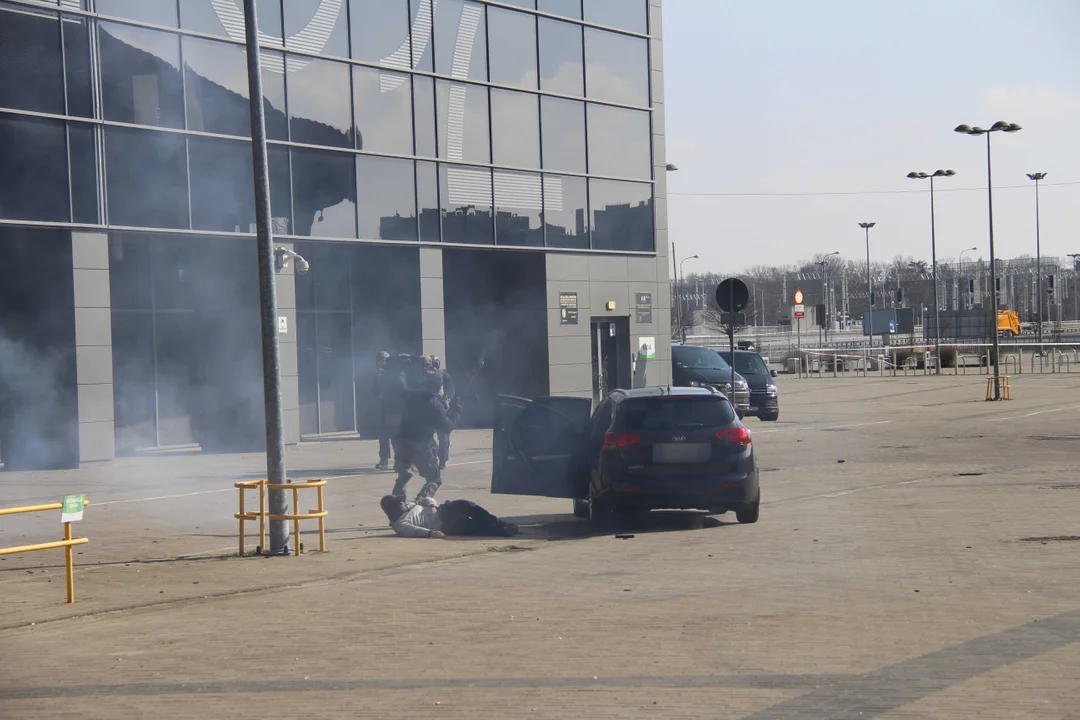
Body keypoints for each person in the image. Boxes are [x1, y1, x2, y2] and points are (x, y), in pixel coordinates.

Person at [391, 360, 456, 500]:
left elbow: (400, 387)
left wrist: (402, 370)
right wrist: (455, 412)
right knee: (434, 479)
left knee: (403, 474)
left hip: (401, 442)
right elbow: (447, 427)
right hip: (420, 445)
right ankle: (421, 503)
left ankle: (395, 506)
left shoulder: (411, 395)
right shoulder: (433, 403)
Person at [380, 495, 518, 538]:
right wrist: (431, 533)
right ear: (392, 509)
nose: (403, 503)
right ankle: (504, 530)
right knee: (474, 528)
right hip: (443, 525)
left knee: (466, 505)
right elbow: (414, 531)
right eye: (399, 503)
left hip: (444, 511)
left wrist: (431, 506)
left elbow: (426, 498)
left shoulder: (409, 505)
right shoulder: (400, 524)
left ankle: (498, 523)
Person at [373, 350, 405, 471]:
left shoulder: (395, 373)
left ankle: (400, 461)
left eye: (383, 360)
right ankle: (384, 460)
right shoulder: (379, 375)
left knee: (396, 436)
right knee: (384, 436)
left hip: (395, 408)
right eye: (379, 360)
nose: (380, 363)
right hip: (386, 408)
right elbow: (375, 390)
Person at [432, 356, 456, 470]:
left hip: (441, 408)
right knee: (427, 436)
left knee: (443, 435)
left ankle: (443, 459)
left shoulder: (444, 375)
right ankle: (435, 457)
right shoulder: (426, 375)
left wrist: (446, 399)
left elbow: (451, 391)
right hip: (431, 407)